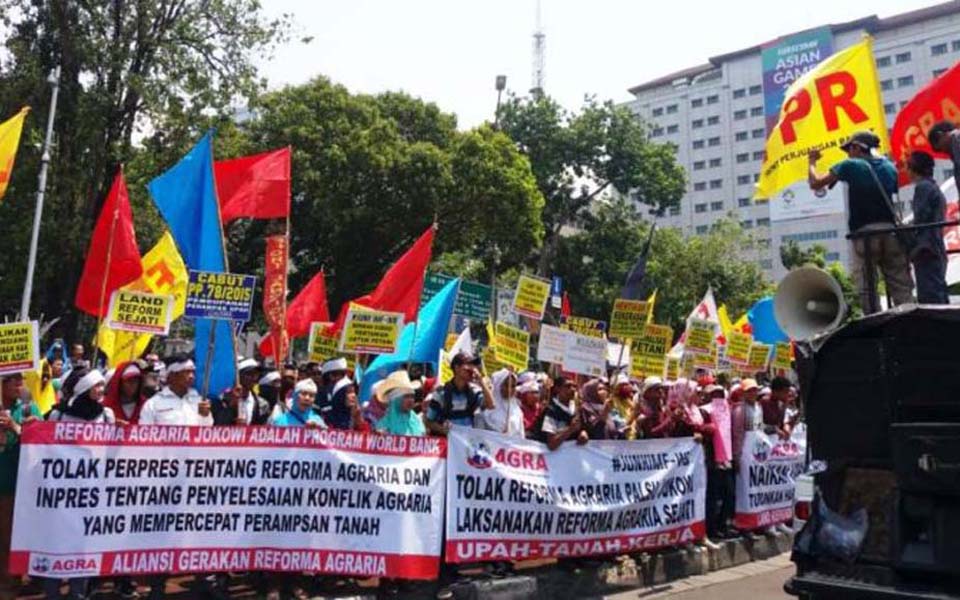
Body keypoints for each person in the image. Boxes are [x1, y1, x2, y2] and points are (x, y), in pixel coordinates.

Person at [808, 131, 914, 312]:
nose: (848, 154)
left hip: (865, 235)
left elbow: (816, 183)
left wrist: (812, 162)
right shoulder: (889, 167)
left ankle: (875, 325)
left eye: (849, 149)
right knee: (901, 284)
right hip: (891, 233)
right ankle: (910, 319)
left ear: (857, 147)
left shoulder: (850, 165)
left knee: (866, 287)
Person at [0, 373, 41, 598]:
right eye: (14, 381)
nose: (20, 385)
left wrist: (15, 427)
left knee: (10, 534)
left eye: (21, 380)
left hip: (16, 484)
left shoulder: (27, 408)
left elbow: (41, 440)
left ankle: (10, 581)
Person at [906, 150, 950, 304]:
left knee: (930, 295)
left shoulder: (923, 187)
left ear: (913, 168)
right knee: (938, 289)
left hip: (926, 248)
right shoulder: (933, 187)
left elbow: (921, 217)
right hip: (936, 245)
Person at [424, 352, 494, 436]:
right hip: (447, 443)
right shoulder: (441, 393)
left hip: (465, 442)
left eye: (473, 365)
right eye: (468, 364)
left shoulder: (473, 391)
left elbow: (491, 405)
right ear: (457, 368)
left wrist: (481, 381)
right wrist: (444, 430)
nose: (472, 369)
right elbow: (428, 421)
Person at [538, 376, 585, 450]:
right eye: (568, 386)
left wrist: (583, 433)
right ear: (557, 388)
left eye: (574, 386)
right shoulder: (551, 411)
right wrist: (570, 429)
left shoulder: (577, 409)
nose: (572, 389)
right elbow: (551, 445)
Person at [375, 372, 425, 437]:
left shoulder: (417, 422)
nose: (411, 400)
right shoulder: (383, 425)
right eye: (406, 396)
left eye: (412, 396)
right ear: (395, 400)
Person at [477, 369, 524, 438]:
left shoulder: (516, 410)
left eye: (513, 386)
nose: (509, 389)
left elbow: (521, 435)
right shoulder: (486, 408)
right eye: (506, 385)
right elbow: (478, 435)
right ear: (498, 385)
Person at [609, 372, 640, 440]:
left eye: (627, 384)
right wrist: (633, 416)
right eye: (623, 385)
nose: (627, 387)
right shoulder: (612, 402)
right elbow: (619, 424)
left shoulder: (629, 402)